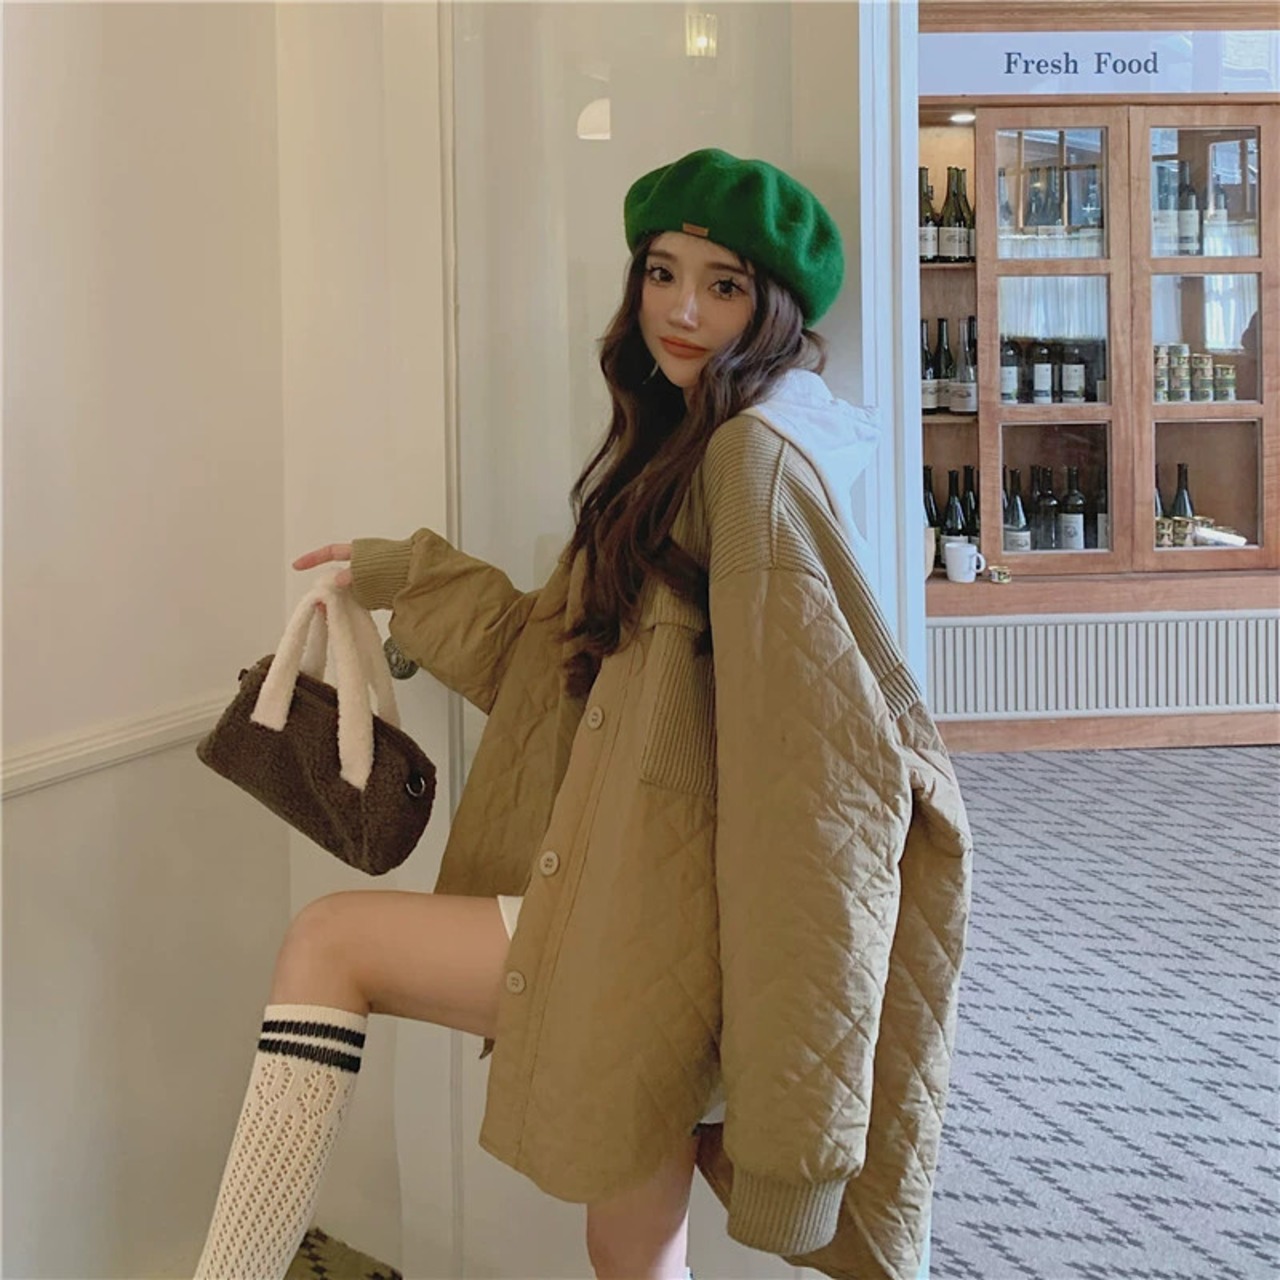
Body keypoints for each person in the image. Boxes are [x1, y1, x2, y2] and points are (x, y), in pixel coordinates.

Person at [193, 148, 972, 1280]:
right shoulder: (680, 450)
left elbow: (813, 782)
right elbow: (561, 669)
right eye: (661, 274)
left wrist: (799, 1097)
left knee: (330, 940)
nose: (682, 310)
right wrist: (406, 574)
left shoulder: (750, 464)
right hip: (644, 910)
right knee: (631, 1248)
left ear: (773, 310)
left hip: (655, 925)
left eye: (723, 285)